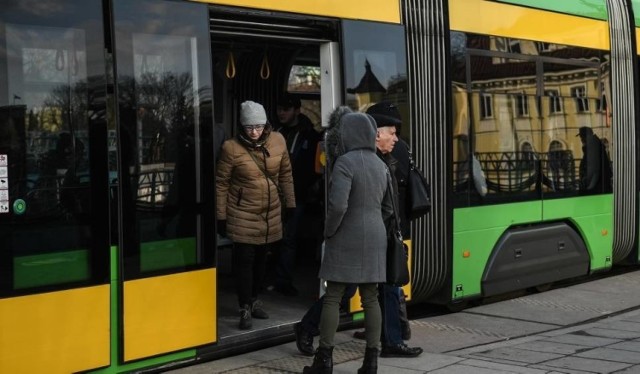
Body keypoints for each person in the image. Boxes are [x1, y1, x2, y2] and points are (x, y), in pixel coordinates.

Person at [294, 103, 422, 359]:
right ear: (373, 134)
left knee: (351, 293)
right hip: (370, 237)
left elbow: (344, 204)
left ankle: (334, 354)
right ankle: (367, 355)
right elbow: (379, 206)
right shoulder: (369, 163)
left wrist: (332, 231)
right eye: (392, 133)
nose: (396, 139)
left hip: (362, 235)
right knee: (361, 295)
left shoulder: (359, 160)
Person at [302, 107, 393, 374]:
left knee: (332, 297)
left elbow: (338, 205)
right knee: (371, 298)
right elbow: (389, 208)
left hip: (345, 235)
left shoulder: (344, 162)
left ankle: (324, 360)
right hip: (376, 236)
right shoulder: (380, 164)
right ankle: (371, 361)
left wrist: (329, 231)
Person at [216, 100, 295, 330]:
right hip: (242, 212)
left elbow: (286, 175)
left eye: (259, 127)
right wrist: (221, 216)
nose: (254, 132)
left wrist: (290, 204)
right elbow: (221, 183)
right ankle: (244, 307)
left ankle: (254, 298)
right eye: (249, 128)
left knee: (262, 261)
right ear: (242, 127)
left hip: (270, 213)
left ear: (266, 125)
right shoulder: (231, 148)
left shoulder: (278, 141)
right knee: (244, 262)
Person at [270, 94, 322, 296]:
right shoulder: (275, 133)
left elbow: (312, 168)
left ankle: (283, 280)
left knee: (289, 238)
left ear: (297, 110)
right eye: (279, 109)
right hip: (275, 193)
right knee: (275, 237)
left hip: (297, 194)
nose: (281, 113)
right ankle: (274, 277)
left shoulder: (310, 136)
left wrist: (305, 188)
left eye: (286, 109)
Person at [577, 126, 612, 194]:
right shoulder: (594, 144)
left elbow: (594, 170)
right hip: (599, 187)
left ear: (587, 135)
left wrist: (588, 188)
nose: (581, 139)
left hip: (597, 189)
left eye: (582, 136)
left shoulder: (593, 146)